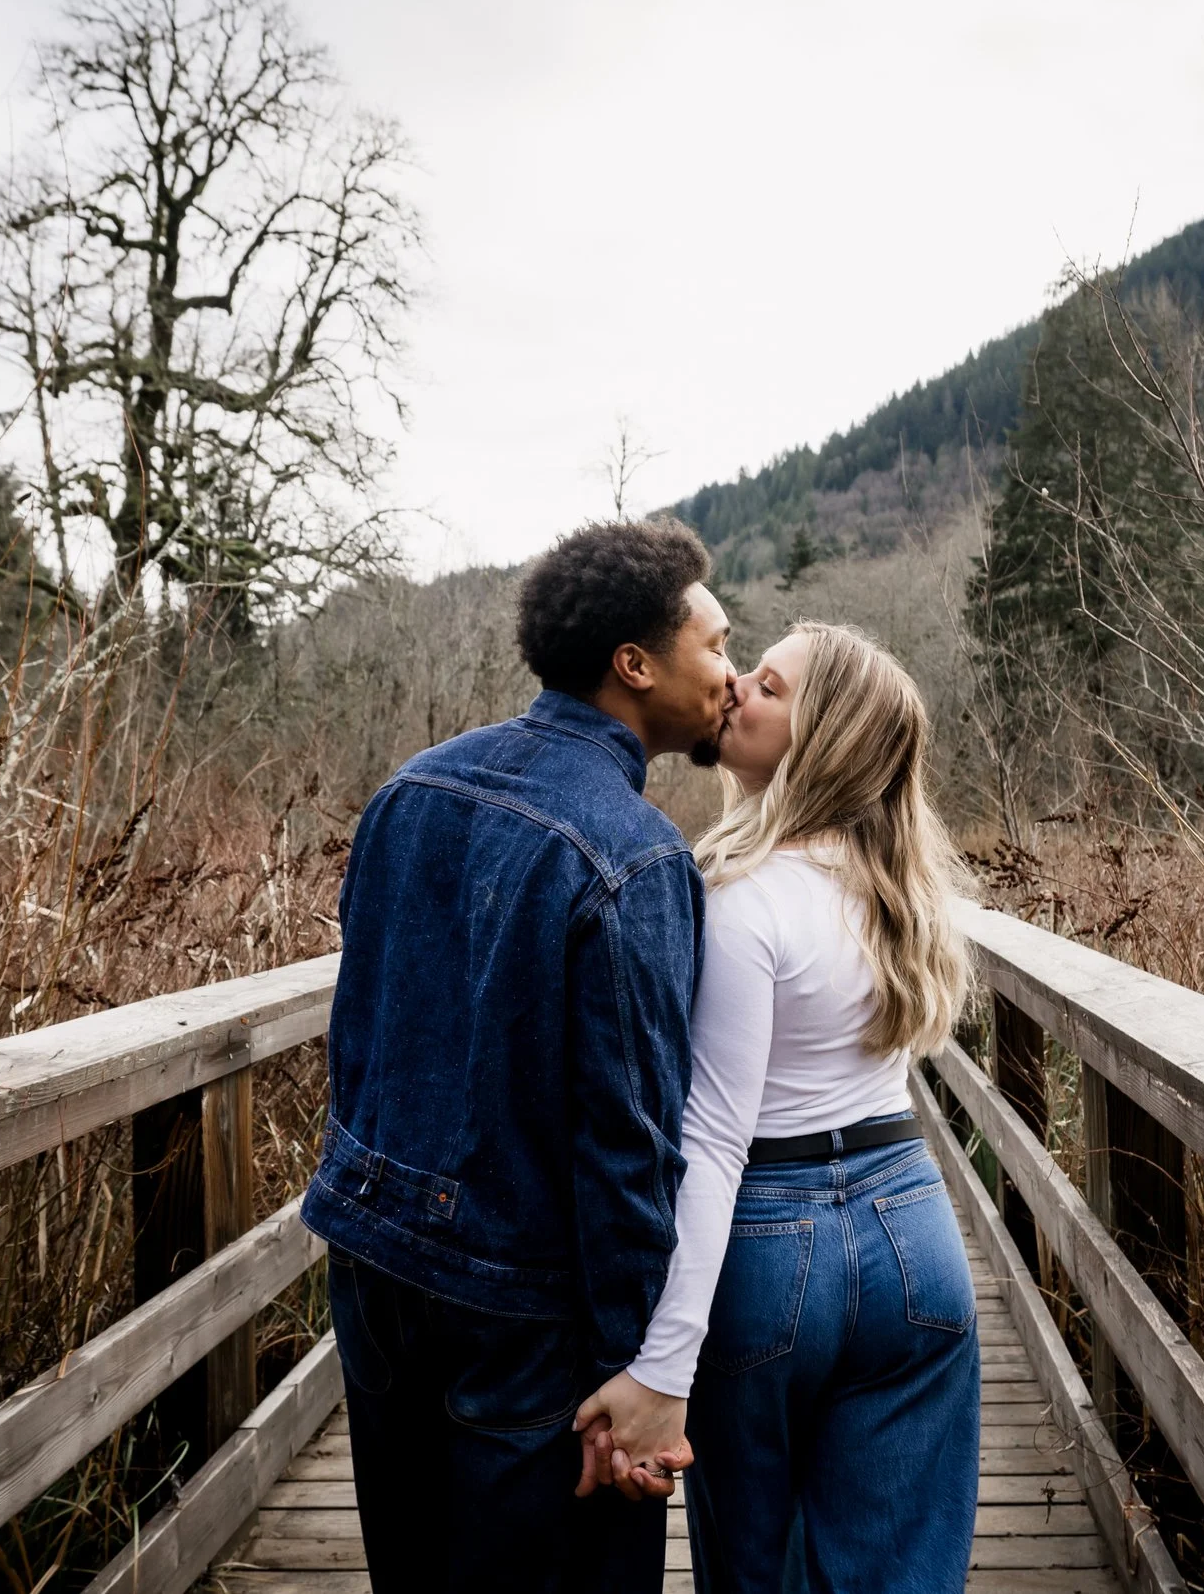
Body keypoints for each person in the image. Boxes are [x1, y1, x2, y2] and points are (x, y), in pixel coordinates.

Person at [304, 518, 732, 1592]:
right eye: (716, 644)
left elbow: (358, 1036)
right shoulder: (635, 856)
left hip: (372, 1260)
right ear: (635, 664)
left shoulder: (412, 787)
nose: (730, 671)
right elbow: (630, 1140)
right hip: (522, 1310)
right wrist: (639, 1373)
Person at [574, 622, 981, 1593]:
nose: (736, 690)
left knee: (753, 1570)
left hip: (771, 1242)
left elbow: (714, 1140)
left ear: (821, 736)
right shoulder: (902, 892)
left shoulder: (742, 900)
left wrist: (663, 1367)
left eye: (768, 684)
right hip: (914, 1227)